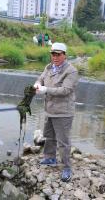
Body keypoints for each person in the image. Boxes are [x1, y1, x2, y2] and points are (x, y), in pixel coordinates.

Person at [34, 42, 78, 182]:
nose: (55, 57)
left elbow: (66, 90)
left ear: (65, 55)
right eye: (53, 54)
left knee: (63, 141)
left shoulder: (71, 71)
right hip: (50, 109)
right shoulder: (48, 67)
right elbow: (41, 78)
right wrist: (38, 84)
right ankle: (50, 158)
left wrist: (46, 90)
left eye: (58, 54)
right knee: (49, 136)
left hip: (63, 112)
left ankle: (66, 167)